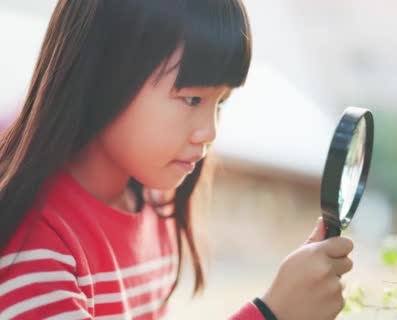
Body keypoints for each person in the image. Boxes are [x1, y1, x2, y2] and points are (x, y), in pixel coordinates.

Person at [0, 1, 354, 319]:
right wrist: (272, 314)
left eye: (221, 103)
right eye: (191, 99)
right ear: (103, 75)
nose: (210, 131)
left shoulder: (153, 200)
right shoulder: (32, 254)